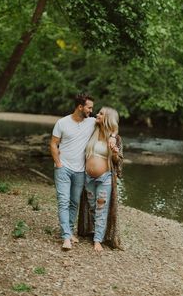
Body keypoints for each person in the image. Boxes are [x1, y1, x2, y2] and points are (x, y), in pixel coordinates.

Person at [50, 94, 117, 250]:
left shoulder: (92, 122)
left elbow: (113, 124)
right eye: (89, 108)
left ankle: (73, 232)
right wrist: (58, 164)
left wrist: (113, 136)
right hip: (63, 168)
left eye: (94, 109)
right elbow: (53, 144)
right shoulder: (62, 123)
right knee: (63, 201)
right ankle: (66, 236)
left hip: (81, 172)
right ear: (80, 107)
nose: (92, 111)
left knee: (74, 202)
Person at [78, 107, 123, 252]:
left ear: (108, 118)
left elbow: (117, 161)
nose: (97, 114)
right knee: (92, 206)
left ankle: (98, 240)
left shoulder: (115, 138)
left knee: (101, 207)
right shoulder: (92, 130)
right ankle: (93, 232)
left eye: (101, 113)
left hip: (105, 178)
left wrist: (115, 152)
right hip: (88, 177)